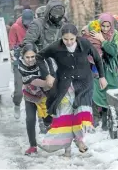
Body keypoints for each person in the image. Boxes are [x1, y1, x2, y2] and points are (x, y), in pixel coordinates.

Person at [35, 23, 107, 157]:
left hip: (84, 83)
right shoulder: (56, 47)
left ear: (76, 37)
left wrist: (102, 77)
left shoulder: (84, 44)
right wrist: (47, 75)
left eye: (71, 39)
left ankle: (79, 141)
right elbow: (39, 57)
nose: (68, 42)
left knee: (81, 114)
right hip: (64, 85)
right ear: (61, 37)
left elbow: (97, 58)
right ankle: (67, 149)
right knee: (66, 115)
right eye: (65, 39)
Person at [83, 13, 118, 130]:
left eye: (108, 26)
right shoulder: (95, 30)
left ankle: (111, 120)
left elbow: (113, 52)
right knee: (99, 93)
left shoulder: (115, 34)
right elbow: (86, 33)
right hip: (97, 67)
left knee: (111, 93)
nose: (105, 29)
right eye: (103, 26)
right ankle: (100, 120)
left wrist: (103, 40)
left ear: (111, 25)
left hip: (110, 68)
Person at [18, 43, 55, 155]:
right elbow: (32, 81)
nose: (30, 60)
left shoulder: (46, 61)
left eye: (33, 57)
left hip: (46, 95)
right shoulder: (21, 65)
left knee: (49, 119)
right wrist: (47, 82)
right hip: (31, 94)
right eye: (27, 57)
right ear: (23, 57)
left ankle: (54, 142)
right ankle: (32, 146)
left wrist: (51, 81)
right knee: (30, 119)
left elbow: (52, 74)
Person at [9, 9, 34, 119]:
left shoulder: (35, 26)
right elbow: (11, 44)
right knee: (19, 90)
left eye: (30, 22)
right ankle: (17, 104)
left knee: (35, 88)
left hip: (32, 60)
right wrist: (17, 50)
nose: (28, 24)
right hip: (19, 61)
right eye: (26, 22)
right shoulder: (15, 27)